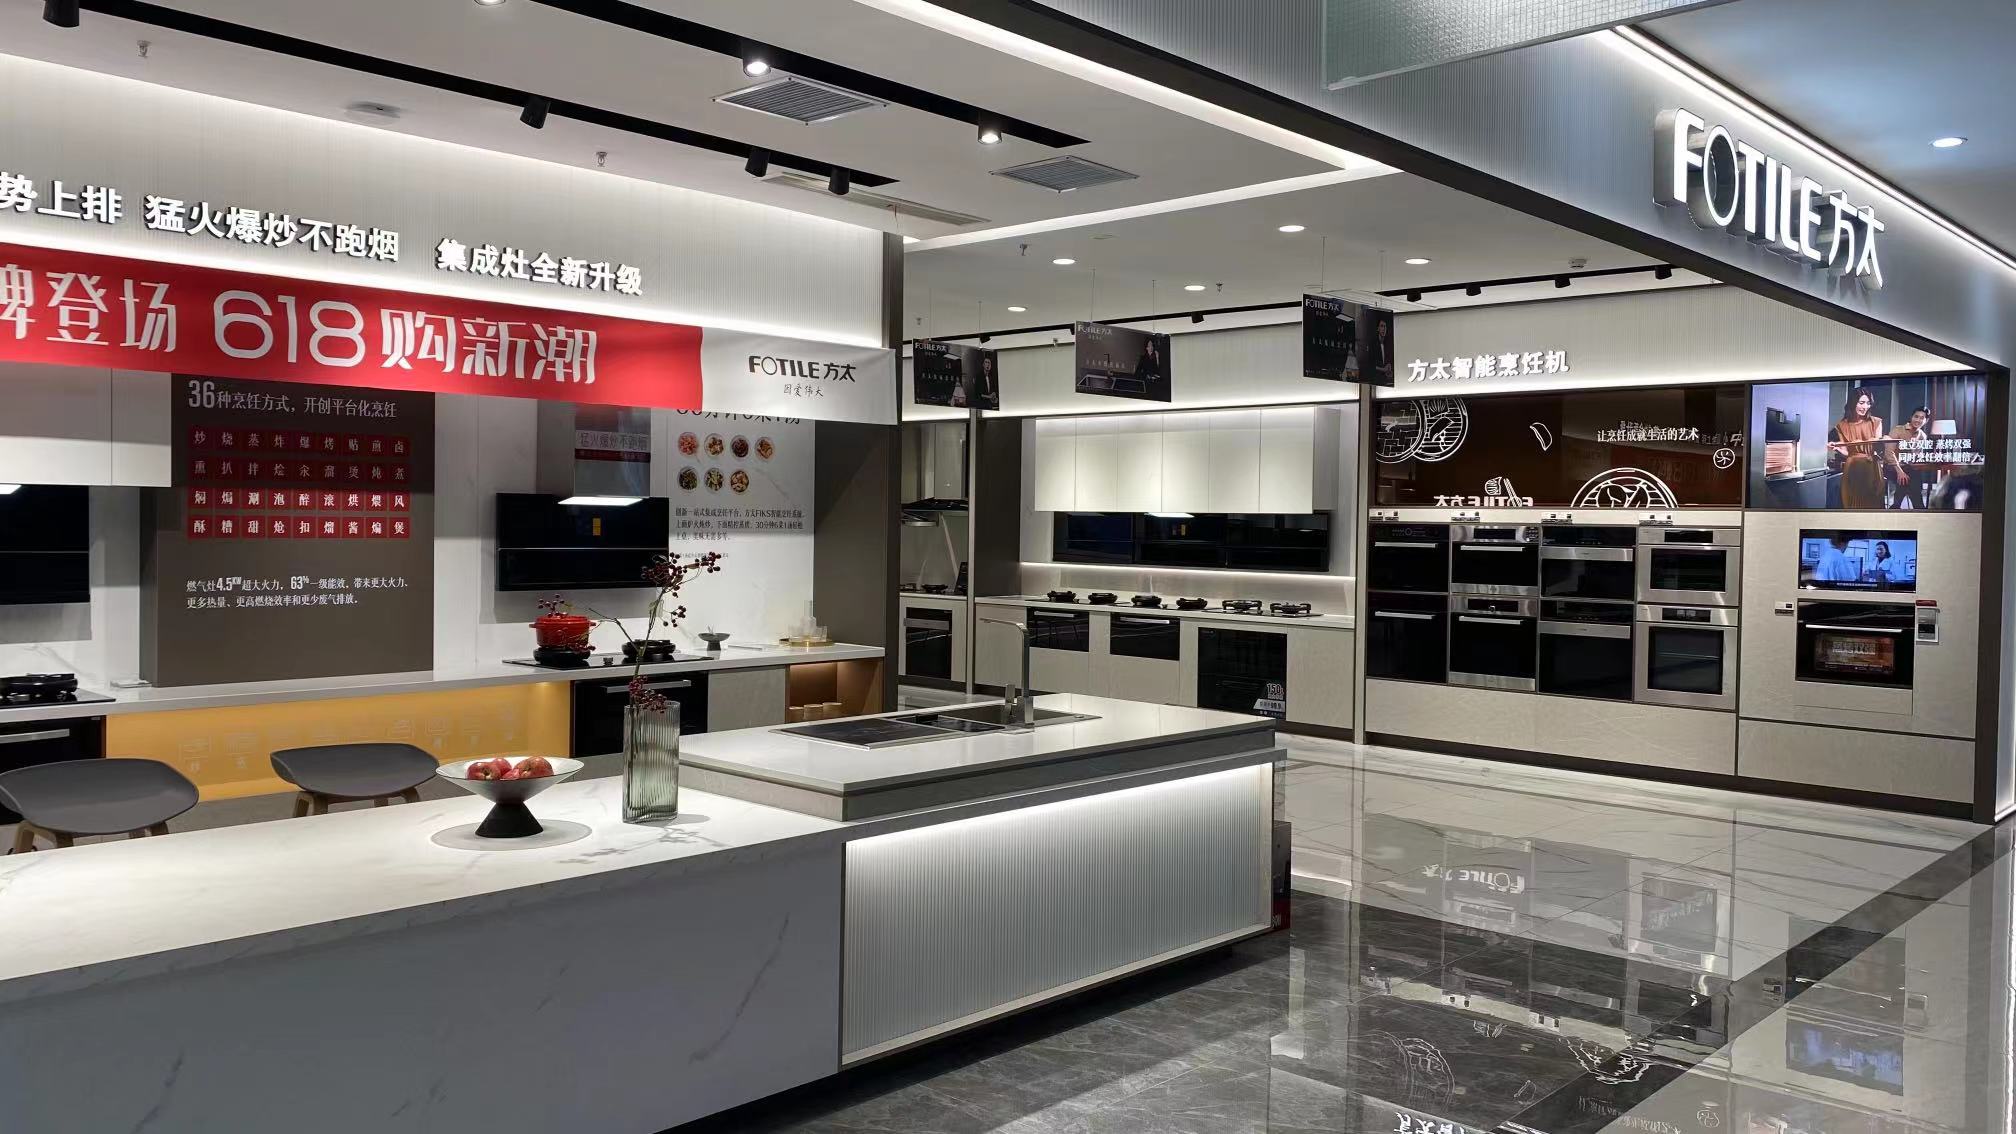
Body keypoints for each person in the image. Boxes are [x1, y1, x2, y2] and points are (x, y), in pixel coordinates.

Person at [1828, 387, 1906, 509]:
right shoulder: (1842, 426)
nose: (1865, 407)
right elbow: (1847, 452)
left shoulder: (1875, 422)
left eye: (1868, 403)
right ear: (1853, 403)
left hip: (1871, 468)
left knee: (1873, 505)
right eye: (1861, 403)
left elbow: (1877, 445)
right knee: (1851, 505)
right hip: (1852, 469)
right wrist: (1837, 448)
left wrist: (1883, 440)